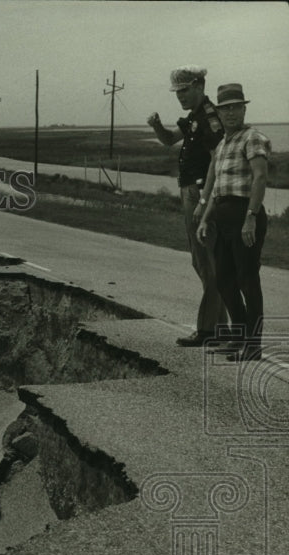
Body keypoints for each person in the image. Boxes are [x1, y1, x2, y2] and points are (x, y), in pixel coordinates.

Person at [147, 65, 226, 346]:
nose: (179, 96)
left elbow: (218, 161)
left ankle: (208, 330)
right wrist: (156, 126)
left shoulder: (208, 118)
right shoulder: (194, 117)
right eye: (176, 92)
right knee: (201, 260)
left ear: (199, 86)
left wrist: (205, 200)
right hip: (190, 191)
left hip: (201, 191)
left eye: (184, 90)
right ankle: (220, 327)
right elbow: (169, 140)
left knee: (207, 261)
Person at [196, 83, 271, 362]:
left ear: (244, 109)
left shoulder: (253, 138)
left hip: (245, 214)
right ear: (218, 111)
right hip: (223, 216)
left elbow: (260, 178)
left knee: (247, 280)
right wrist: (205, 219)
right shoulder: (223, 144)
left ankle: (254, 345)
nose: (230, 113)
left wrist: (250, 218)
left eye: (236, 107)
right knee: (225, 279)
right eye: (225, 108)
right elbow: (217, 189)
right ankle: (239, 338)